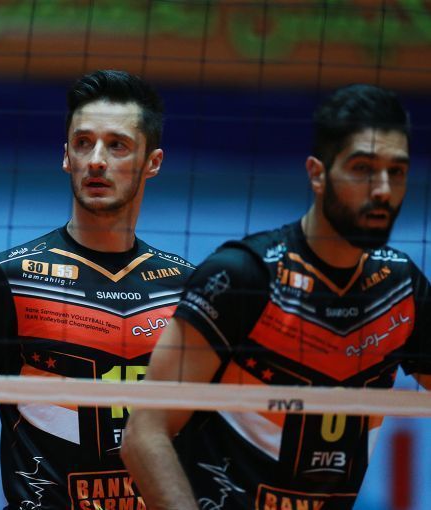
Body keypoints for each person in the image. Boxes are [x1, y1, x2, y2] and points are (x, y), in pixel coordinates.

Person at [121, 84, 431, 510]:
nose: (382, 189)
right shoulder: (242, 276)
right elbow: (144, 432)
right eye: (362, 169)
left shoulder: (401, 288)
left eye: (396, 172)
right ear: (317, 174)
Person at [0, 69, 194, 509]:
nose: (97, 160)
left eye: (117, 145)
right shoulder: (10, 278)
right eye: (83, 143)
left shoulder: (185, 286)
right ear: (66, 157)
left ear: (152, 162)